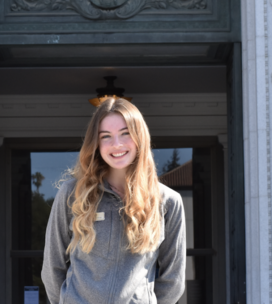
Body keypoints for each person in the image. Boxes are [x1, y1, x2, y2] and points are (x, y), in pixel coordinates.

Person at [41, 97, 186, 304]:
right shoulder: (72, 194)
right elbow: (53, 268)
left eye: (125, 133)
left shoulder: (168, 202)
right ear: (96, 144)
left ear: (139, 137)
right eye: (105, 136)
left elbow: (173, 280)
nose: (116, 144)